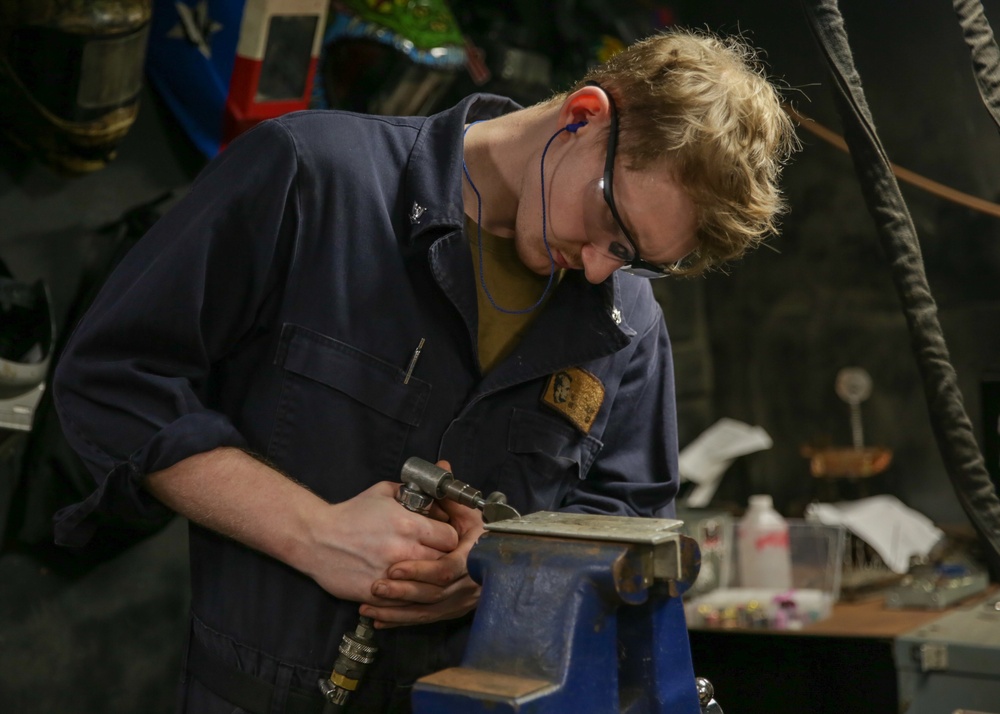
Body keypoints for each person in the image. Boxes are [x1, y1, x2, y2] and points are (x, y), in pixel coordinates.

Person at [51, 26, 797, 714]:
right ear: (584, 115)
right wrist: (310, 531)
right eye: (610, 227)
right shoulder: (315, 179)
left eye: (638, 259)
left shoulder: (627, 323)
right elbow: (116, 380)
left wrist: (497, 569)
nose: (603, 268)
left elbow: (627, 527)